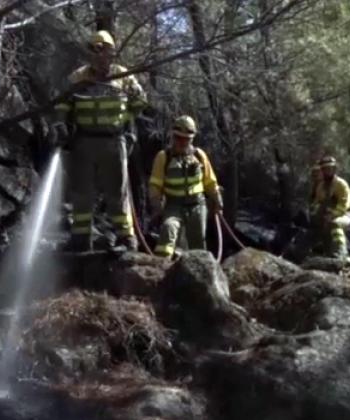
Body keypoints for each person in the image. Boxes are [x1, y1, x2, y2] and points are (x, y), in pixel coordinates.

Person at [51, 30, 147, 253]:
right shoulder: (78, 77)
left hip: (114, 142)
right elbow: (63, 104)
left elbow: (140, 103)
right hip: (84, 142)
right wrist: (60, 124)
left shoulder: (123, 77)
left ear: (111, 52)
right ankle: (81, 238)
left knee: (117, 192)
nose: (98, 54)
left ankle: (126, 238)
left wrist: (127, 119)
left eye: (103, 49)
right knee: (81, 192)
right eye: (94, 50)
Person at [148, 115, 222, 258]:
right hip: (173, 205)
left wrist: (217, 199)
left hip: (197, 205)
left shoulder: (199, 156)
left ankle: (200, 269)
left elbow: (210, 181)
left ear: (192, 139)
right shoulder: (163, 157)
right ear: (173, 137)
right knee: (168, 228)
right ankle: (161, 264)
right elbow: (155, 184)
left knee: (198, 243)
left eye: (186, 139)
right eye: (178, 138)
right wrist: (156, 204)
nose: (182, 142)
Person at [307, 154, 350, 262]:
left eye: (330, 168)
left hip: (345, 215)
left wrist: (332, 215)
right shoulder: (320, 186)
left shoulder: (341, 184)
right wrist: (315, 213)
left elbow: (344, 205)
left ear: (334, 169)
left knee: (335, 224)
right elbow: (317, 202)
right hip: (326, 215)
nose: (328, 171)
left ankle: (341, 253)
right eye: (325, 169)